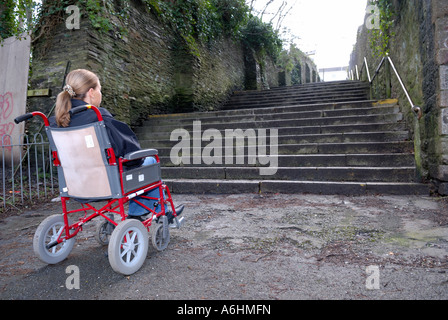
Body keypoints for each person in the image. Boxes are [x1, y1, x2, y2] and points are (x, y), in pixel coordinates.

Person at [51, 69, 183, 220]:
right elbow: (129, 149)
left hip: (76, 183)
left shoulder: (58, 121)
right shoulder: (98, 117)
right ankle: (158, 212)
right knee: (149, 161)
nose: (101, 94)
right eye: (100, 90)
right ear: (92, 92)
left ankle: (139, 213)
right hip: (107, 182)